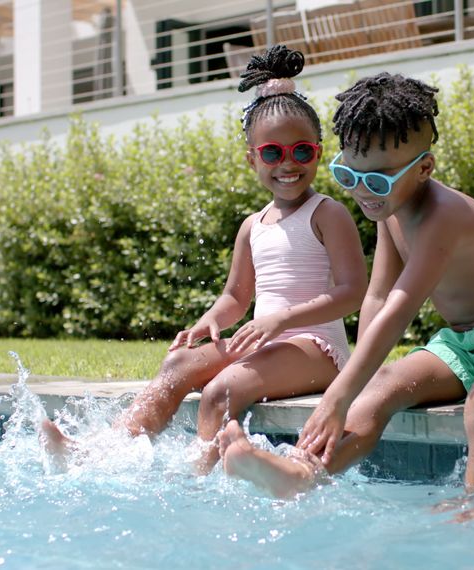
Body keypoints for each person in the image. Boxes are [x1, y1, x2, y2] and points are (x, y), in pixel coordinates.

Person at [218, 73, 474, 513]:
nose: (361, 192)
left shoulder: (444, 217)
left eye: (378, 181)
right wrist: (360, 380)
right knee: (382, 386)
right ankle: (300, 472)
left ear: (424, 168)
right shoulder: (389, 211)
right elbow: (377, 298)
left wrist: (339, 394)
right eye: (349, 174)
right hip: (462, 345)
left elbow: (401, 307)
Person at [41, 46, 367, 474]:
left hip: (318, 350)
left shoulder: (327, 213)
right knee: (177, 364)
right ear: (252, 158)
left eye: (301, 151)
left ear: (318, 153)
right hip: (269, 342)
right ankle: (102, 452)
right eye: (273, 153)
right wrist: (209, 321)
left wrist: (281, 320)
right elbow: (235, 297)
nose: (288, 164)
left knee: (220, 392)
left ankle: (198, 483)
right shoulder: (253, 225)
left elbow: (353, 293)